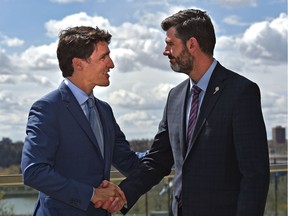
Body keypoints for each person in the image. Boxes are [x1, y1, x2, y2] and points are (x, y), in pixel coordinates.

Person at [113, 9, 270, 216]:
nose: (165, 51)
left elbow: (255, 176)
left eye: (170, 44)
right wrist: (121, 195)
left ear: (192, 44)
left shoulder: (241, 92)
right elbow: (158, 159)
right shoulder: (175, 97)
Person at [21, 26, 142, 216]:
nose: (111, 64)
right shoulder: (48, 108)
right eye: (103, 57)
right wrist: (92, 195)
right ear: (78, 64)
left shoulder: (104, 110)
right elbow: (34, 171)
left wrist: (174, 151)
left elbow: (129, 162)